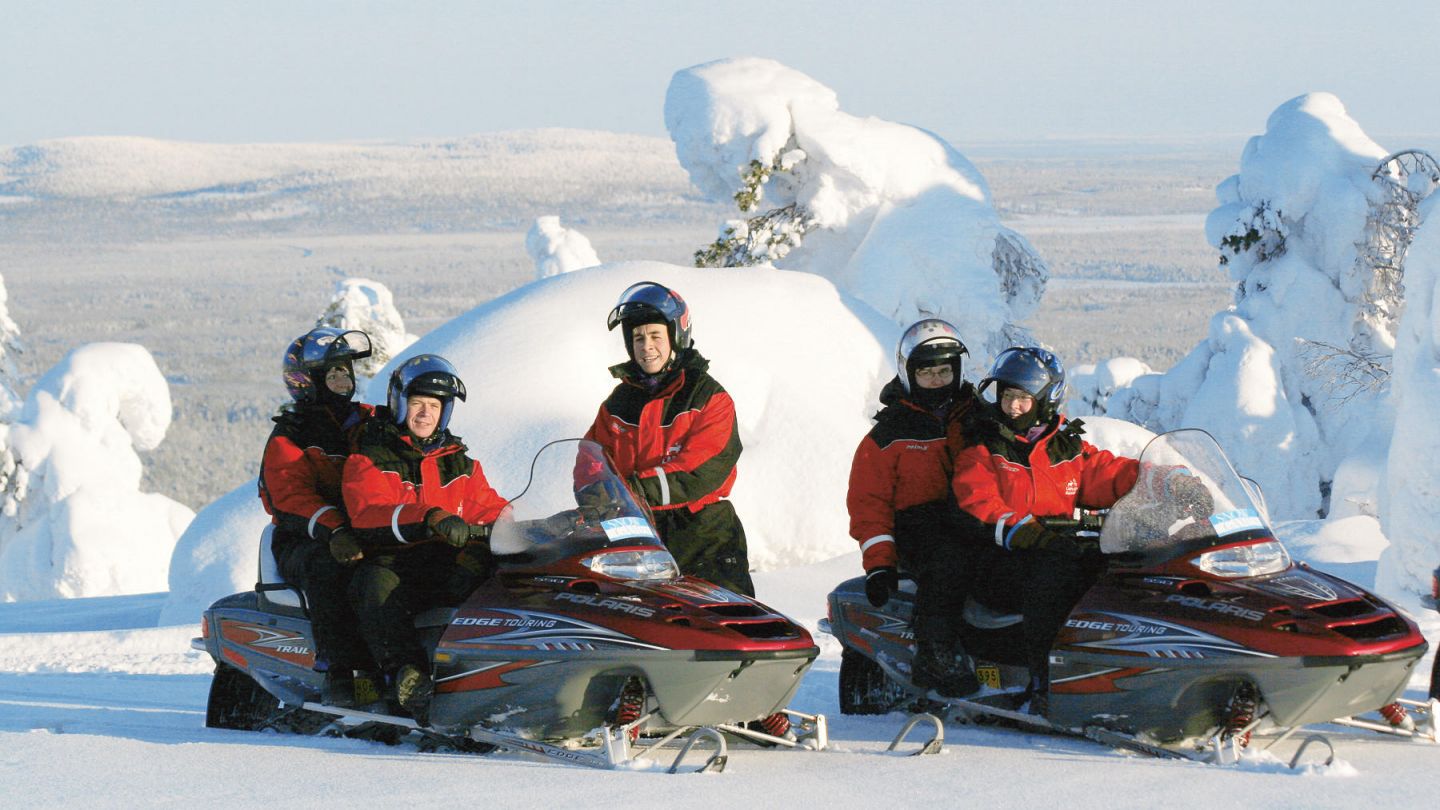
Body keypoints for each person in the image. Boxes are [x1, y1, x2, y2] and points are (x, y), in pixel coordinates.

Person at [952, 347, 1176, 707]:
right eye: (1007, 397)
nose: (1012, 408)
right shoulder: (984, 446)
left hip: (1053, 546)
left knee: (1118, 567)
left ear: (1044, 400)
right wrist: (1025, 532)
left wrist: (1166, 481)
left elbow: (1108, 473)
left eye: (1023, 399)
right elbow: (978, 502)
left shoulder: (1064, 447)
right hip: (997, 556)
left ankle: (1128, 669)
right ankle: (1047, 684)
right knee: (1055, 579)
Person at [342, 354, 508, 725]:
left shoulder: (460, 461)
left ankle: (502, 674)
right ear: (400, 404)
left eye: (434, 406)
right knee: (375, 583)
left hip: (447, 559)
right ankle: (406, 676)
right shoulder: (371, 454)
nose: (425, 414)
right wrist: (429, 518)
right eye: (417, 404)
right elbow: (367, 511)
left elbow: (488, 505)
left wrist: (520, 526)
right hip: (394, 559)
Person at [584, 281, 754, 597]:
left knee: (721, 629)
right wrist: (595, 495)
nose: (646, 346)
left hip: (701, 535)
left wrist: (633, 490)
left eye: (655, 336)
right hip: (636, 534)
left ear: (676, 336)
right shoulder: (618, 403)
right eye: (637, 338)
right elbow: (591, 460)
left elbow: (701, 469)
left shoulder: (707, 398)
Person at [846, 318, 982, 697]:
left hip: (974, 516)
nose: (937, 380)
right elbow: (868, 502)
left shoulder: (976, 417)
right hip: (917, 524)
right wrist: (879, 564)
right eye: (927, 372)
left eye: (944, 371)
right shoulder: (888, 434)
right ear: (909, 374)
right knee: (948, 561)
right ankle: (935, 655)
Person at [258, 327, 377, 707]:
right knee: (330, 568)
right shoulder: (291, 434)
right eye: (333, 375)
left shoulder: (370, 421)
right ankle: (340, 672)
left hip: (364, 528)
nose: (343, 382)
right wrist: (334, 529)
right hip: (304, 538)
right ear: (308, 381)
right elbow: (290, 496)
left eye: (346, 373)